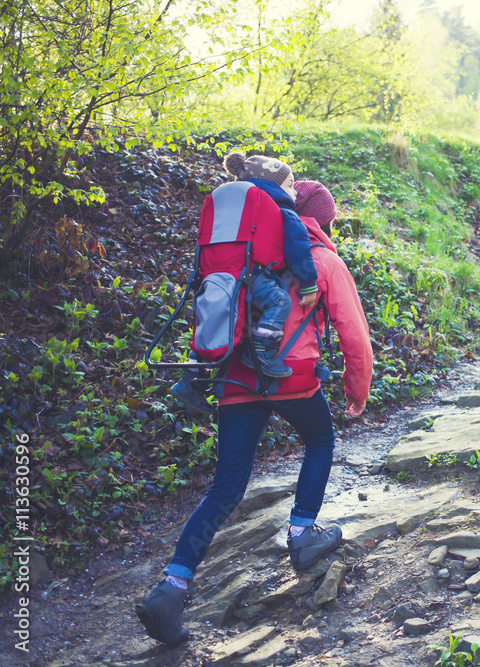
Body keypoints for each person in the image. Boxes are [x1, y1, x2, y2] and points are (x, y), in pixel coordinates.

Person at [135, 182, 373, 647]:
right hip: (292, 378)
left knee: (225, 487)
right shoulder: (323, 261)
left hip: (237, 379)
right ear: (320, 220)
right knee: (321, 442)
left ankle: (171, 588)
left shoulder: (245, 257)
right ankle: (302, 535)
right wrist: (355, 390)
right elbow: (354, 335)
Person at [169, 152, 320, 414]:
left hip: (213, 275)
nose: (294, 192)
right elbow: (298, 245)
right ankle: (262, 354)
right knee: (279, 301)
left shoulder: (234, 206)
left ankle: (188, 381)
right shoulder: (280, 207)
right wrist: (308, 284)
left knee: (214, 320)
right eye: (289, 185)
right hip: (251, 274)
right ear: (272, 185)